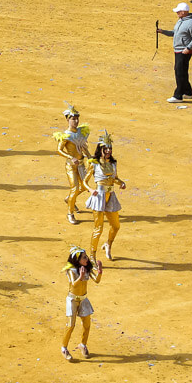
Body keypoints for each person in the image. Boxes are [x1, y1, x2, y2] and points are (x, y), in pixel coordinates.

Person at [83, 131, 126, 261]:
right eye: (105, 149)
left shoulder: (113, 163)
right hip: (99, 196)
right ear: (100, 149)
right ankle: (92, 256)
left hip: (110, 195)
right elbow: (84, 181)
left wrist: (121, 182)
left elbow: (115, 179)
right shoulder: (94, 163)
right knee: (98, 228)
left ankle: (108, 244)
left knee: (116, 226)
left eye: (110, 148)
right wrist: (90, 190)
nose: (108, 151)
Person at [61, 246, 102, 361]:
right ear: (77, 260)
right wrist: (81, 277)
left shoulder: (87, 268)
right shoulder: (71, 270)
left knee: (87, 324)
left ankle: (83, 345)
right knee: (70, 325)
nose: (87, 259)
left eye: (86, 257)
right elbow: (73, 284)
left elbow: (97, 280)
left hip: (83, 299)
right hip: (72, 300)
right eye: (84, 258)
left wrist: (99, 272)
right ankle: (64, 348)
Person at [54, 103, 91, 225]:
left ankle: (68, 199)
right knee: (74, 188)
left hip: (81, 164)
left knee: (84, 186)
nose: (75, 121)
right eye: (73, 119)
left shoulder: (81, 132)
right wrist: (70, 157)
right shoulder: (65, 135)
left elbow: (83, 146)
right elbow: (59, 150)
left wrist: (90, 158)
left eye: (77, 118)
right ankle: (70, 213)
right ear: (67, 120)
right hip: (71, 165)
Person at [159, 2, 192, 103]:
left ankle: (178, 95)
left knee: (179, 72)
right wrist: (163, 31)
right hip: (178, 50)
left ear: (184, 12)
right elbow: (174, 33)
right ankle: (188, 92)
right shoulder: (180, 21)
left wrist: (188, 47)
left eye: (178, 11)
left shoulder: (191, 23)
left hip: (184, 51)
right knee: (182, 71)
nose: (177, 13)